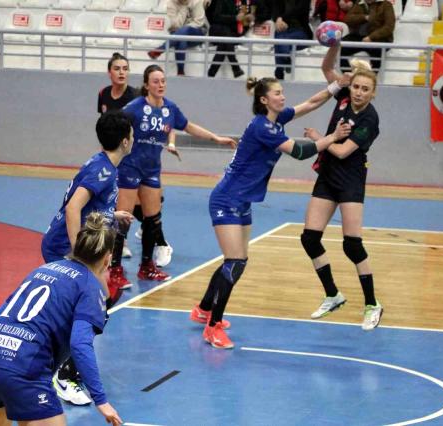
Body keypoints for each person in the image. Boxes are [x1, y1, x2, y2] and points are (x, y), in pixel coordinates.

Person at [191, 73, 351, 349]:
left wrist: (337, 85)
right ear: (264, 100)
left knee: (237, 261)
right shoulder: (262, 127)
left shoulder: (276, 120)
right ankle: (213, 327)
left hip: (242, 200)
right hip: (227, 199)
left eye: (282, 92)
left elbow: (311, 103)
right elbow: (300, 151)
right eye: (277, 93)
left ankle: (204, 309)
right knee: (234, 262)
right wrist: (332, 137)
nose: (283, 96)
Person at [0, 213, 123, 426]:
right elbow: (80, 344)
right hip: (24, 369)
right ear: (107, 259)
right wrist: (101, 399)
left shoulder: (42, 269)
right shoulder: (89, 286)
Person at [108, 64, 236, 289]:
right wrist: (110, 155)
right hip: (130, 168)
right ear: (146, 85)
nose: (160, 85)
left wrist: (216, 138)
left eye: (163, 81)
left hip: (151, 169)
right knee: (124, 218)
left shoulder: (170, 108)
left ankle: (146, 266)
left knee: (152, 219)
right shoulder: (135, 108)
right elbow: (112, 125)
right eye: (155, 81)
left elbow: (188, 126)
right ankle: (115, 269)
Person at [41, 111, 134, 406]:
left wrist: (112, 215)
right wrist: (78, 254)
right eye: (131, 134)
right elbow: (73, 208)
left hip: (73, 247)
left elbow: (90, 206)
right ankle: (64, 375)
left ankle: (59, 367)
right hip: (64, 248)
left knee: (103, 300)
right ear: (125, 141)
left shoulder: (104, 164)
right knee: (91, 305)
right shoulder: (102, 170)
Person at [301, 44, 383, 331]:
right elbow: (326, 69)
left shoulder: (370, 119)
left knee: (352, 244)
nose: (359, 92)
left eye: (365, 89)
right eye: (356, 87)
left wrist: (318, 138)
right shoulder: (344, 96)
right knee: (310, 239)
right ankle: (332, 294)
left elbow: (342, 151)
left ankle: (372, 304)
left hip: (350, 178)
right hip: (327, 176)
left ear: (373, 93)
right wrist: (334, 46)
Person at [97, 52, 175, 265]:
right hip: (118, 158)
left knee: (146, 206)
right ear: (109, 72)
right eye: (117, 68)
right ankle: (118, 248)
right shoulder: (103, 94)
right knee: (120, 203)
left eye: (125, 68)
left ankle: (157, 241)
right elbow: (106, 128)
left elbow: (167, 121)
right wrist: (105, 156)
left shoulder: (135, 99)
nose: (121, 72)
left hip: (138, 162)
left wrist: (170, 142)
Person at [147, 0, 209, 77]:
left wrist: (184, 29)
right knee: (182, 39)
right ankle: (180, 72)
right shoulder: (171, 4)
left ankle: (161, 49)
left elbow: (198, 22)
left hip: (197, 32)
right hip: (178, 34)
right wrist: (184, 7)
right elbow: (175, 25)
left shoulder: (197, 1)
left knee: (184, 31)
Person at [340, 0, 395, 72]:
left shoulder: (386, 5)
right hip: (358, 36)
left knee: (377, 54)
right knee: (340, 48)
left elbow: (389, 27)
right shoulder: (359, 3)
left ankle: (371, 77)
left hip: (379, 38)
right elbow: (348, 19)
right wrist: (364, 17)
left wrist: (371, 37)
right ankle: (349, 75)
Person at [206, 0, 253, 78]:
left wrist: (248, 20)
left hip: (232, 34)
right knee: (226, 35)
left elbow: (245, 24)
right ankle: (235, 67)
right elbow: (216, 17)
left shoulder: (245, 2)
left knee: (224, 43)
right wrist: (234, 18)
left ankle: (211, 73)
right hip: (217, 29)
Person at [271, 0, 312, 80]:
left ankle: (280, 71)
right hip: (284, 30)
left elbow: (299, 10)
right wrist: (278, 20)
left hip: (301, 31)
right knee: (279, 36)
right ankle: (285, 60)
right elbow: (275, 12)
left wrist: (281, 18)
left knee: (281, 40)